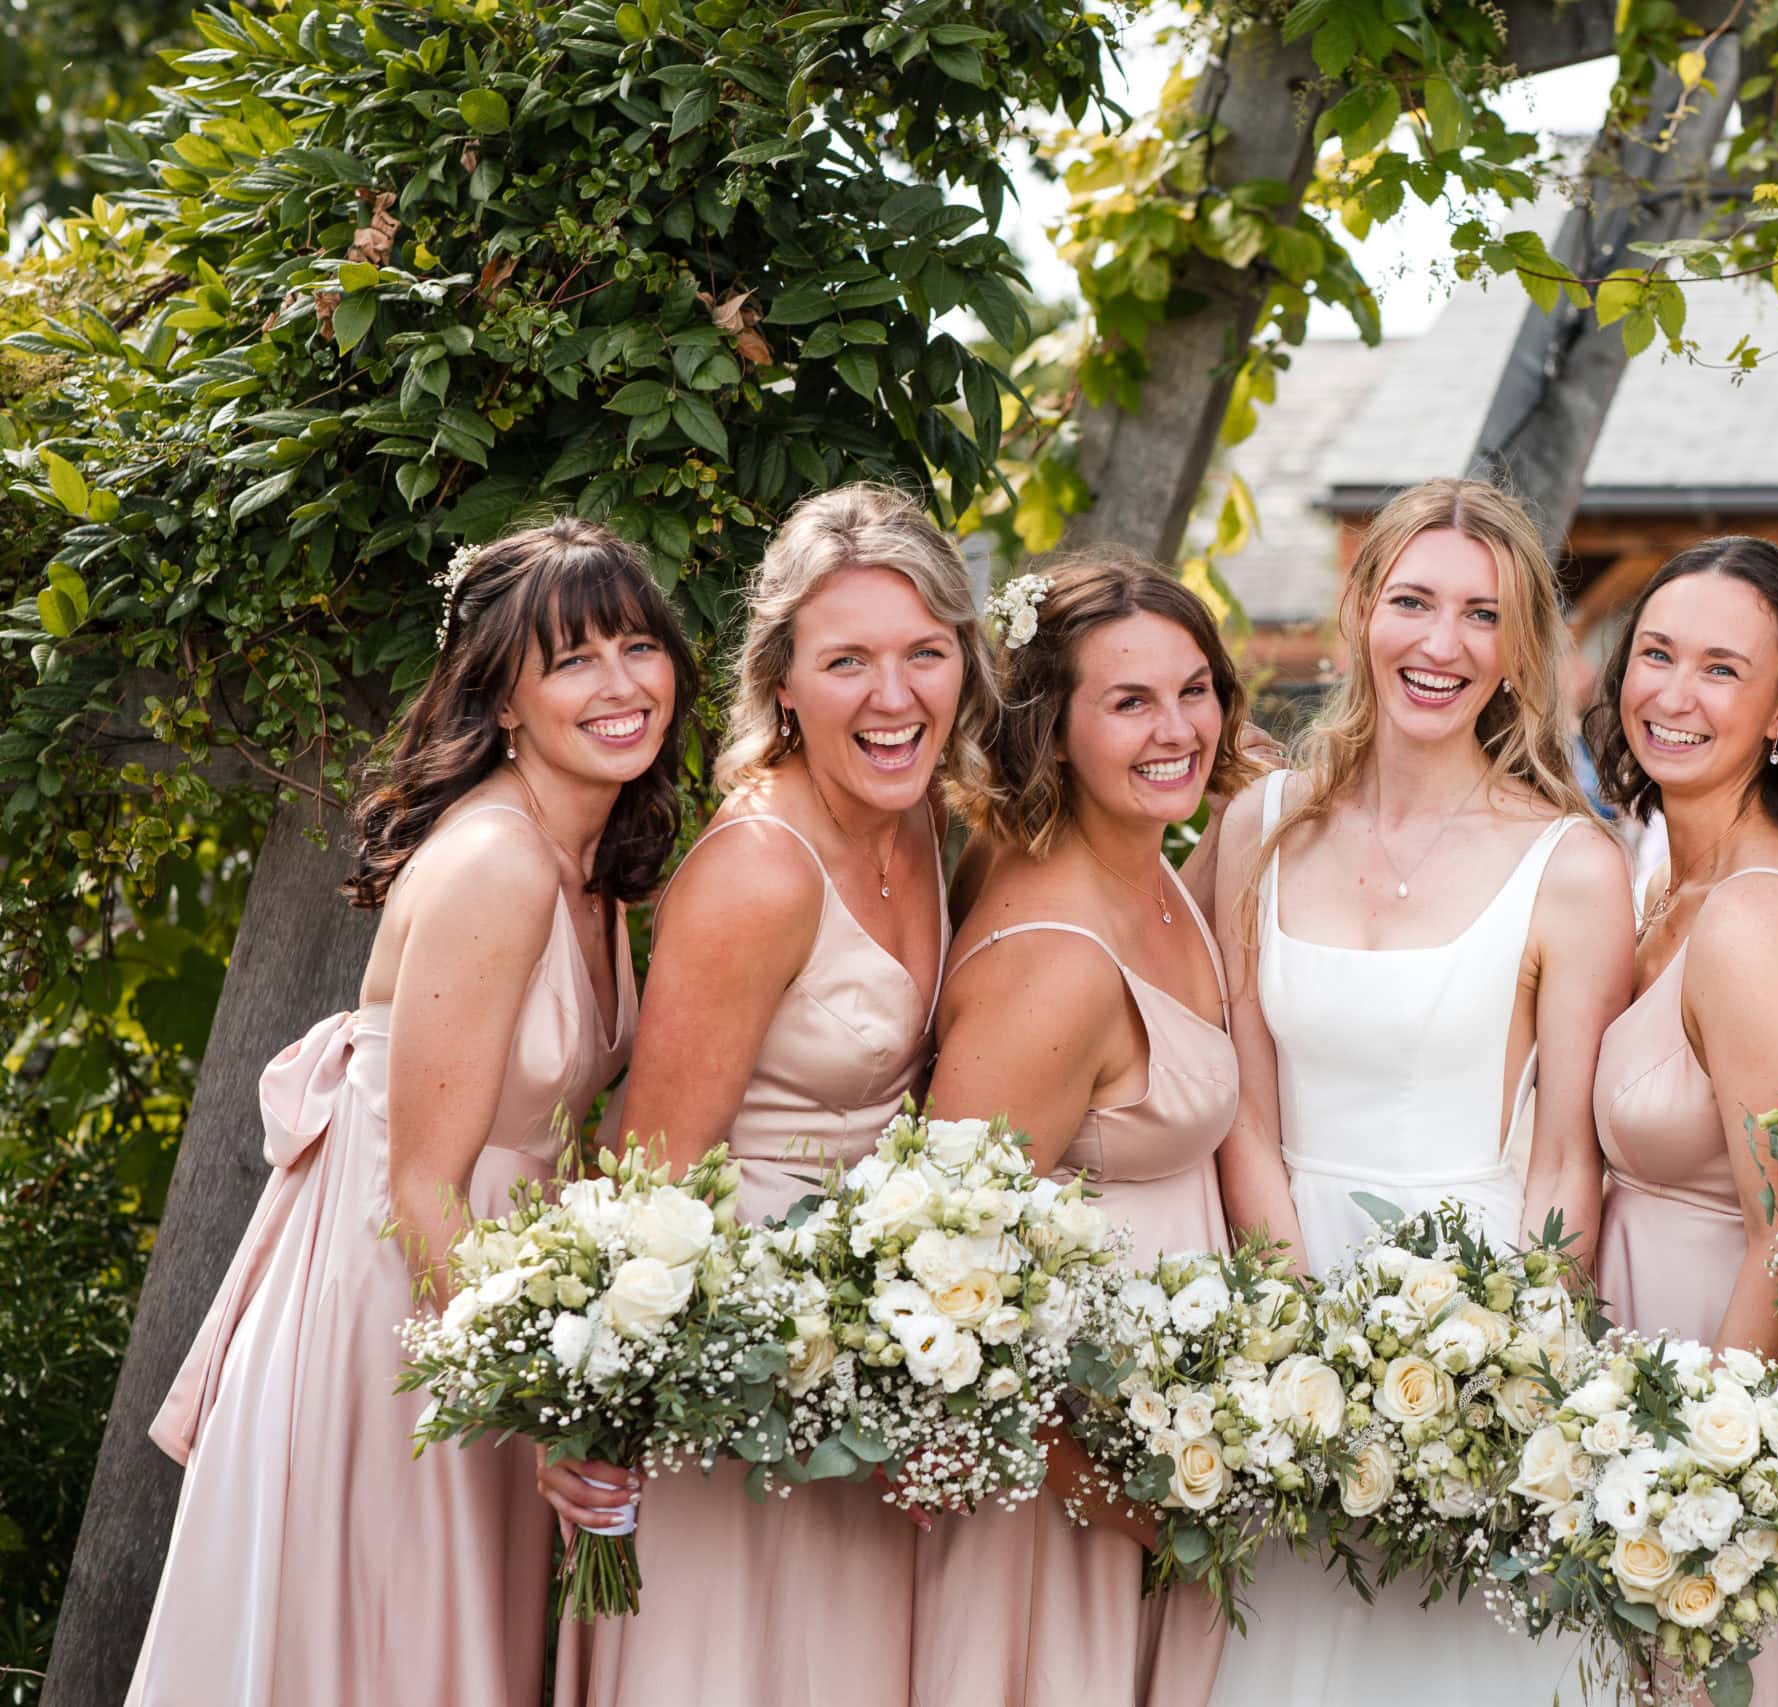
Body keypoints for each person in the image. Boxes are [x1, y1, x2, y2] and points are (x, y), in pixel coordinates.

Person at [126, 520, 693, 1707]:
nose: (622, 684)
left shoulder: (592, 864)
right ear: (502, 699)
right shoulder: (496, 863)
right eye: (573, 659)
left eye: (638, 646)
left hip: (478, 1306)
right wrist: (541, 1412)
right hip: (396, 1320)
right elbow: (420, 1182)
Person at [550, 484, 994, 1707]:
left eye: (923, 654)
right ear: (783, 682)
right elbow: (646, 1181)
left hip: (860, 1362)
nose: (893, 697)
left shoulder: (924, 826)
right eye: (846, 660)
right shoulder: (757, 870)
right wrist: (595, 1421)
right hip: (729, 1373)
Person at [1203, 477, 1635, 1707]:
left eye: (1480, 617)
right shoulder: (1261, 828)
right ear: (1358, 613)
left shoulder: (1573, 866)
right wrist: (1292, 1335)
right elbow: (1243, 1100)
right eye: (1411, 603)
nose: (1439, 645)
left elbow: (1565, 1162)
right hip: (1287, 1301)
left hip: (1480, 1314)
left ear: (1517, 653)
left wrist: (1508, 1385)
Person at [915, 549, 1257, 1707]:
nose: (1179, 727)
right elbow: (948, 1284)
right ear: (1051, 728)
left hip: (1161, 1453)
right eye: (1129, 701)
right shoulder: (1056, 962)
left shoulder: (1147, 866)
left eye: (1194, 687)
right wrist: (1124, 1501)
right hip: (1070, 1501)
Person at [1580, 538, 1778, 1703]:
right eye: (1655, 654)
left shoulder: (1758, 919)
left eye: (1720, 669)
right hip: (1642, 1362)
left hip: (1720, 1409)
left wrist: (1692, 1498)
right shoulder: (1667, 879)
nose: (1671, 693)